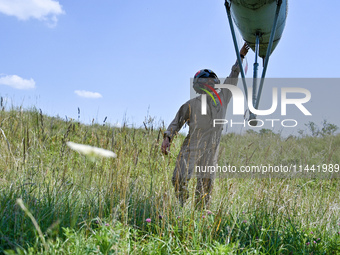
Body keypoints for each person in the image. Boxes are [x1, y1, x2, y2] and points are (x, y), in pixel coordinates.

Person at [161, 43, 250, 208]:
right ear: (198, 85)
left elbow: (234, 75)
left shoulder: (224, 96)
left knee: (205, 187)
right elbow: (177, 121)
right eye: (203, 81)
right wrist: (168, 137)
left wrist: (241, 56)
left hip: (211, 148)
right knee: (178, 178)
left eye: (210, 80)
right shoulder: (191, 104)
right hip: (192, 145)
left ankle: (200, 218)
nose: (207, 83)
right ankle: (182, 204)